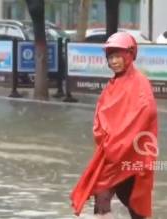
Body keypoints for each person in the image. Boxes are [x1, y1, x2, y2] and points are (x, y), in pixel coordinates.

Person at [70, 32, 158, 219]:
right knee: (101, 194)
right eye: (111, 57)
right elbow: (101, 117)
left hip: (132, 157)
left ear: (129, 55)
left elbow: (146, 115)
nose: (114, 61)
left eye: (118, 56)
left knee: (135, 203)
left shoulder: (140, 83)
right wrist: (108, 140)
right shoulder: (113, 85)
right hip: (110, 156)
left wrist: (122, 141)